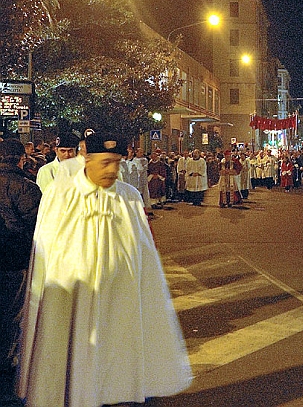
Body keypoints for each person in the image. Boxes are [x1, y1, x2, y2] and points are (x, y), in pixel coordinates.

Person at [16, 132, 192, 406]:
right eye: (105, 162)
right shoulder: (60, 196)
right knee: (74, 363)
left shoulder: (129, 197)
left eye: (117, 163)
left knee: (117, 370)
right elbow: (47, 251)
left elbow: (144, 252)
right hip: (72, 300)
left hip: (120, 302)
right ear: (87, 159)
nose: (112, 170)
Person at [0, 140, 42, 383]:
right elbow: (37, 227)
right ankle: (6, 364)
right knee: (10, 315)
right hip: (15, 261)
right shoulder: (26, 187)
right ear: (21, 158)